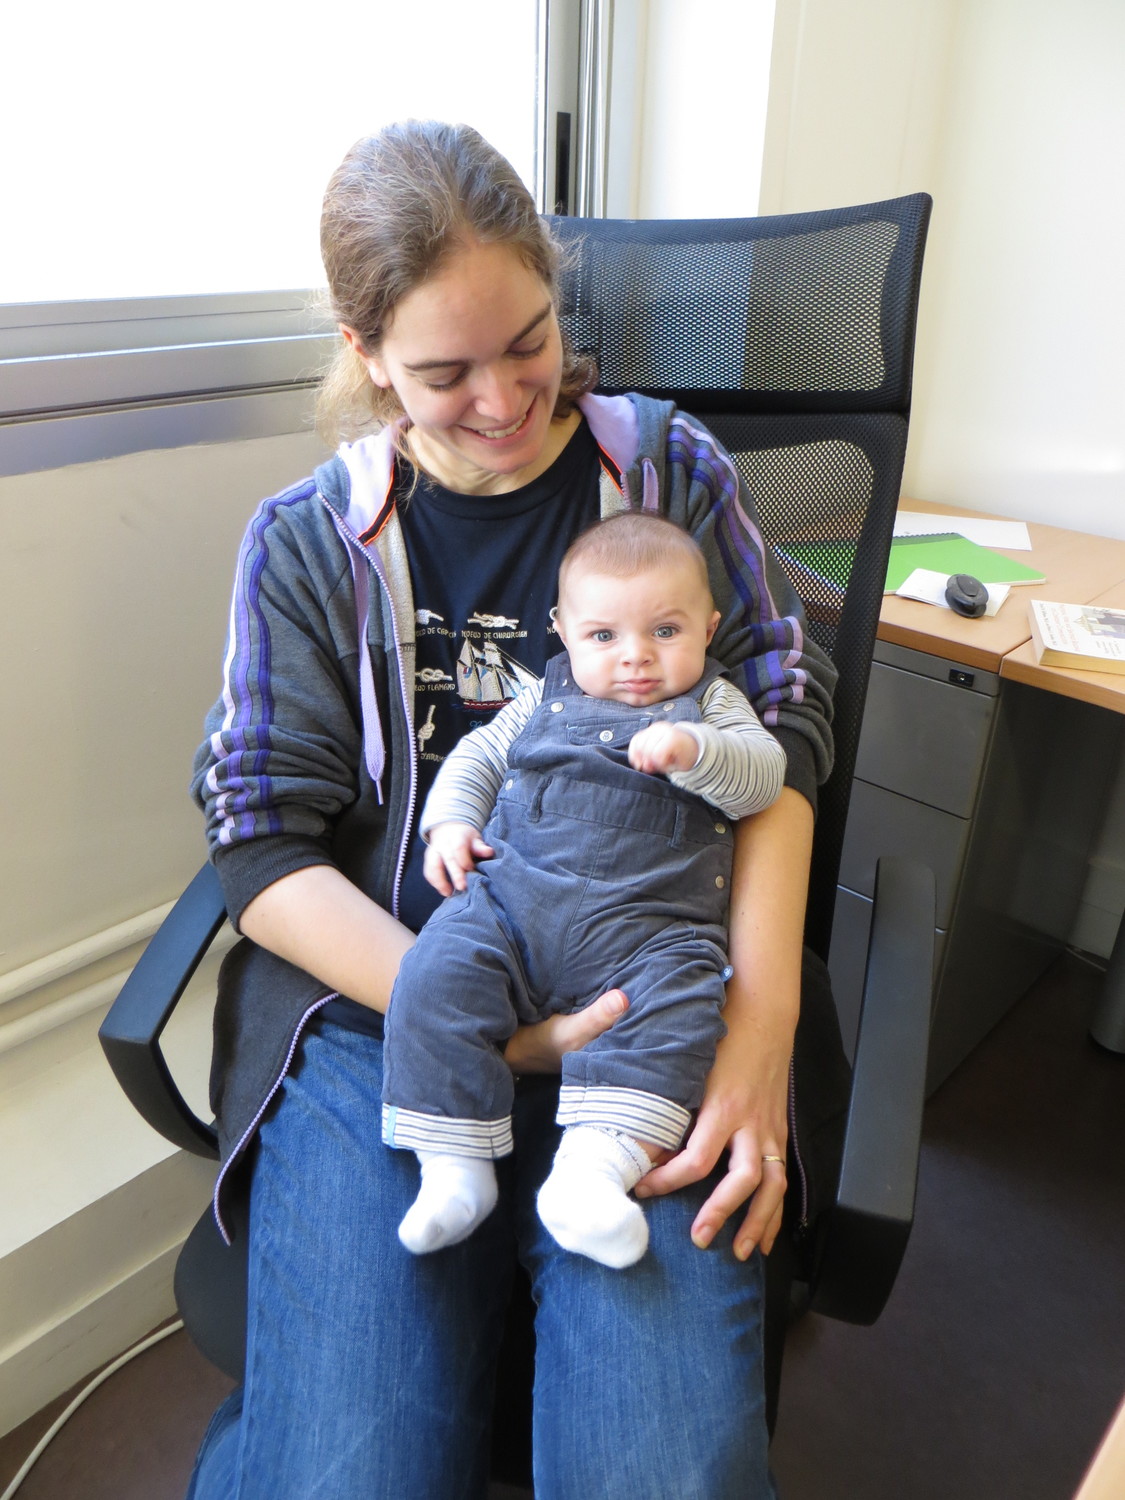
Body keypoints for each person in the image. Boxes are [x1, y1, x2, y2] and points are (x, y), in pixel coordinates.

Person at [186, 119, 835, 1499]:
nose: (501, 400)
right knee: (351, 1475)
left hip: (656, 998)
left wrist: (763, 1022)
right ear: (367, 355)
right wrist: (467, 1016)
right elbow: (259, 842)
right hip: (389, 1008)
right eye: (443, 373)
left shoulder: (668, 474)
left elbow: (784, 738)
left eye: (528, 341)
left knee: (661, 1471)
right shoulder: (307, 541)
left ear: (554, 288)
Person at [385, 511, 788, 1269]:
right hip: (513, 908)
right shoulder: (541, 697)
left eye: (665, 631)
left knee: (680, 1015)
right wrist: (450, 827)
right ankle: (453, 1167)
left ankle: (593, 1174)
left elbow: (764, 777)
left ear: (706, 629)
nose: (635, 657)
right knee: (435, 972)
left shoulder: (711, 705)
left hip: (651, 933)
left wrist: (696, 751)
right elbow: (476, 757)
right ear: (564, 635)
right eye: (603, 636)